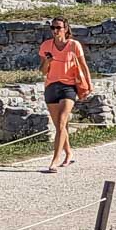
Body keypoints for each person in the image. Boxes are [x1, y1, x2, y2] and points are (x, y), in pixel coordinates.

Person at [39, 17, 92, 173]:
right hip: (51, 86)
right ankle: (68, 153)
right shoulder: (46, 46)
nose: (55, 31)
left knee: (62, 122)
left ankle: (55, 160)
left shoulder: (74, 45)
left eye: (58, 27)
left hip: (68, 86)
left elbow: (84, 66)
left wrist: (89, 84)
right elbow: (42, 71)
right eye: (53, 28)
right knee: (59, 126)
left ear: (66, 29)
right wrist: (47, 61)